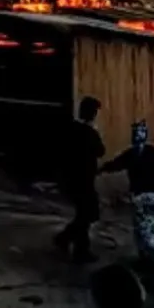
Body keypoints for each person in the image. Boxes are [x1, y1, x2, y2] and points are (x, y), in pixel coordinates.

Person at [100, 120, 154, 264]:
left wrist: (100, 170)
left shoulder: (134, 154)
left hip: (144, 194)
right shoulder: (153, 153)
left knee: (144, 224)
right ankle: (149, 253)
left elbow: (115, 164)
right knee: (146, 223)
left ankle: (151, 254)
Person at [55, 95, 105, 261]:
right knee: (88, 213)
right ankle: (78, 249)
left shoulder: (70, 128)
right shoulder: (89, 133)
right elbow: (100, 151)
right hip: (83, 180)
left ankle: (67, 239)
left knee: (85, 214)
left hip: (71, 179)